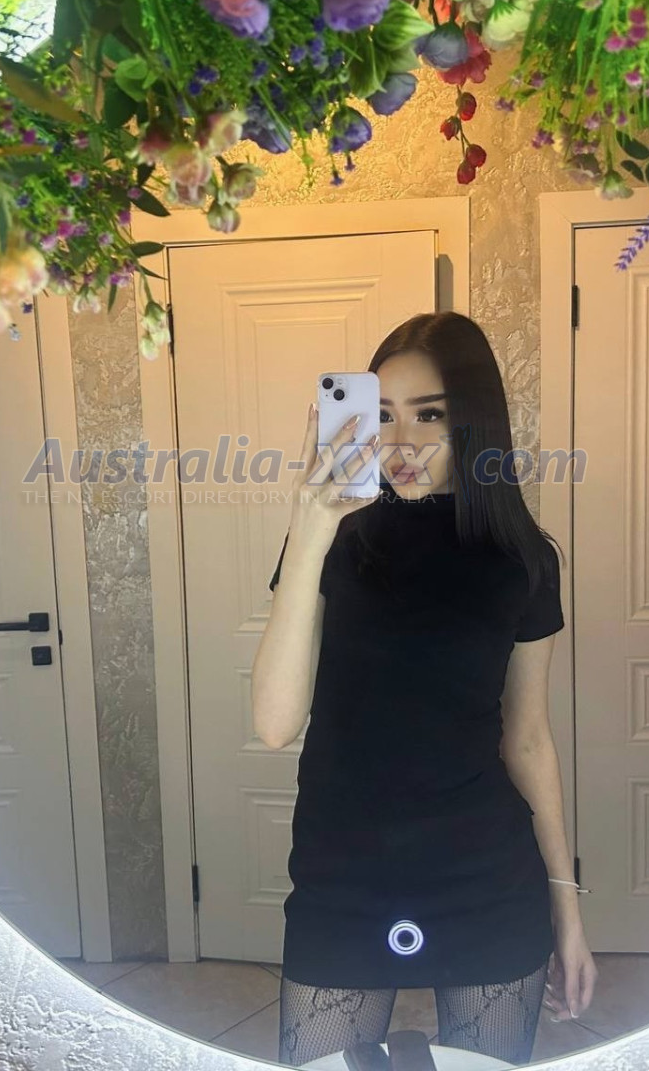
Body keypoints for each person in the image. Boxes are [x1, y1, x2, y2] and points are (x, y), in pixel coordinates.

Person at [252, 312, 598, 1067]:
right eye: (380, 415)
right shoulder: (331, 543)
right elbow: (275, 723)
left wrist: (567, 911)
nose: (400, 443)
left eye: (429, 415)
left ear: (473, 423)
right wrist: (307, 531)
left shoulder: (523, 560)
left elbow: (528, 740)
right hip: (343, 875)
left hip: (487, 878)